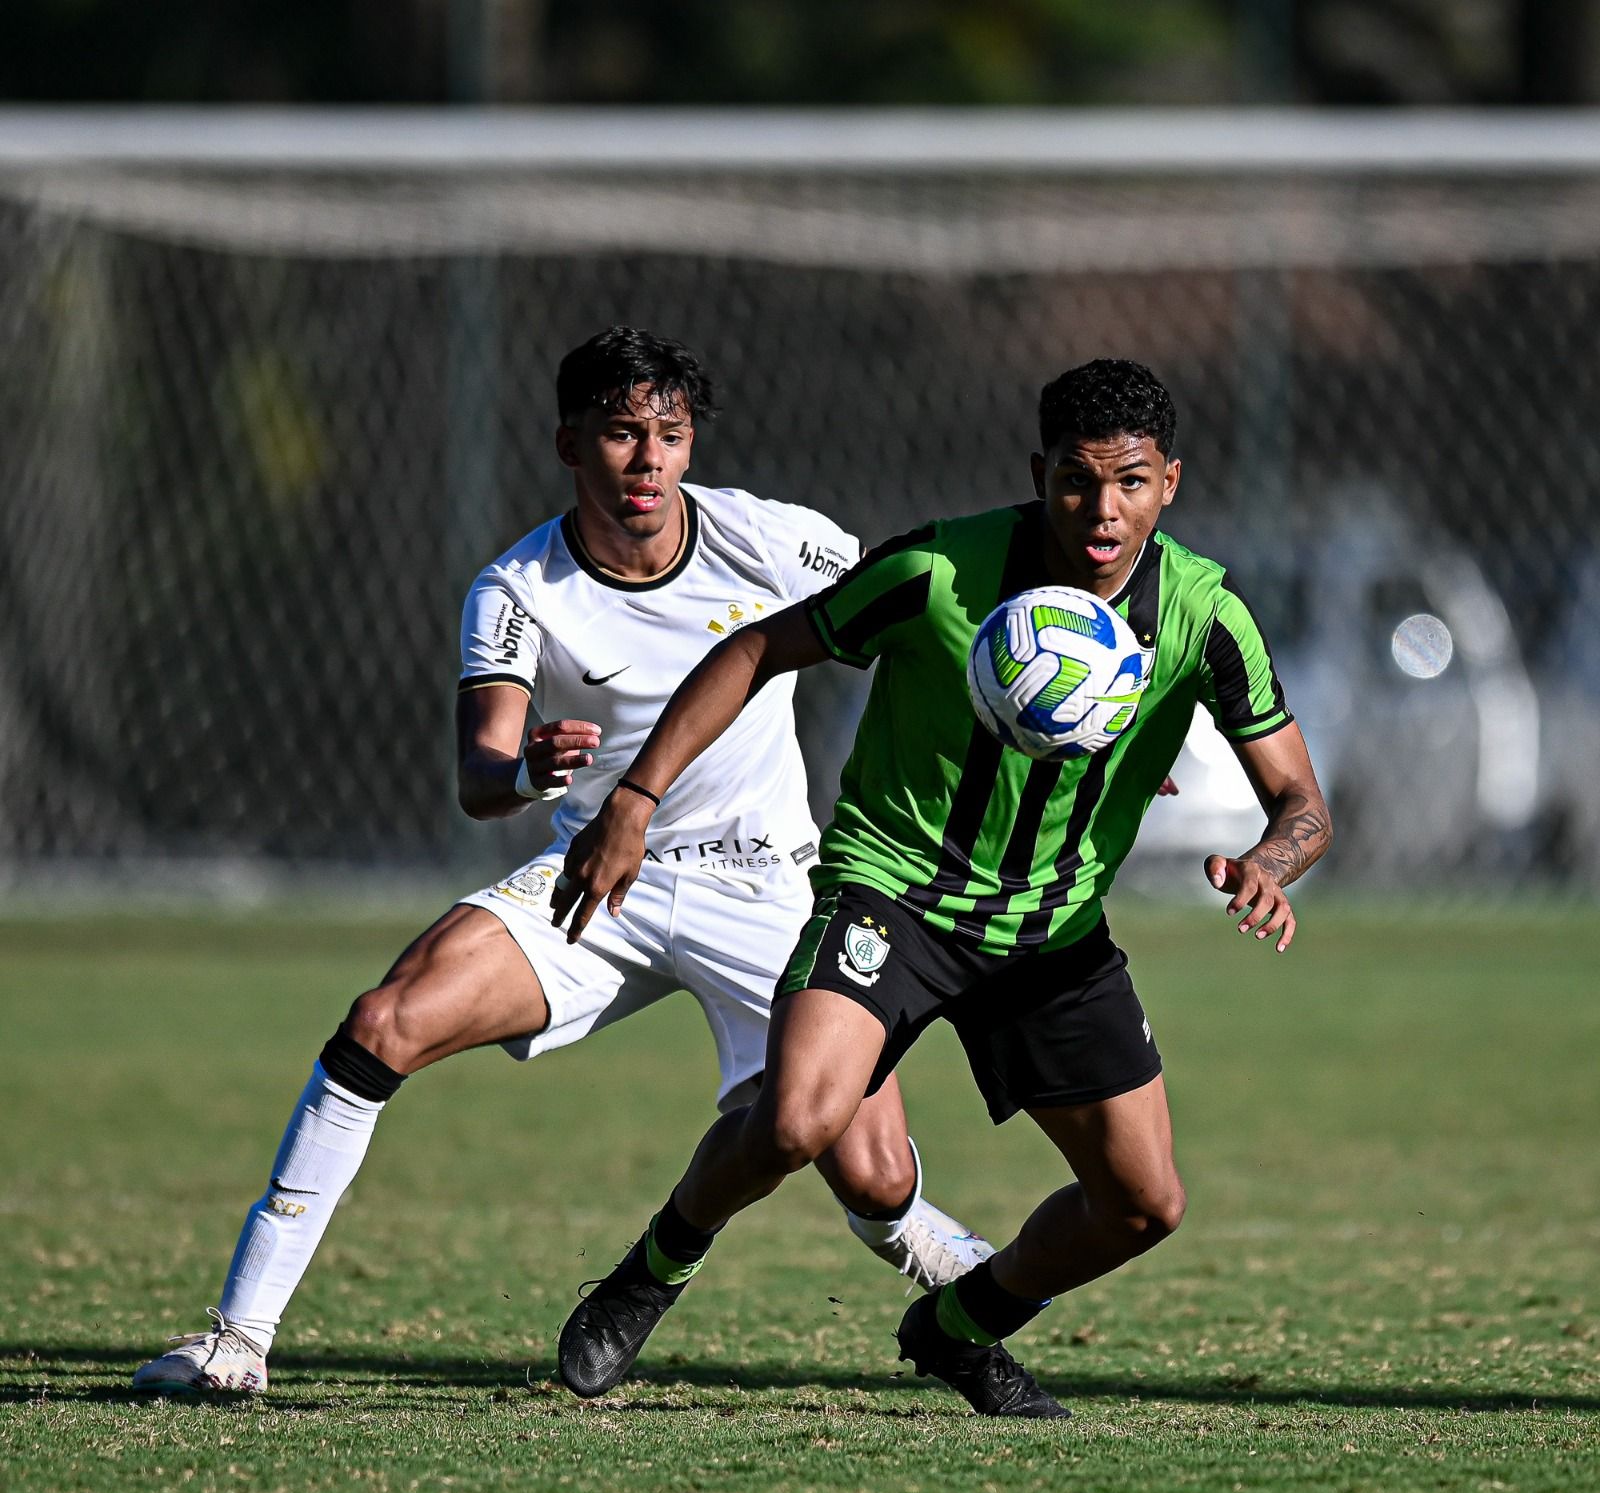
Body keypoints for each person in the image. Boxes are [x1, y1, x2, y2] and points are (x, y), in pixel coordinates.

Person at [131, 327, 991, 1398]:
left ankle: (980, 1285)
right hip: (600, 882)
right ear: (568, 444)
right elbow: (479, 777)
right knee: (382, 1021)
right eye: (622, 436)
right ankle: (237, 1339)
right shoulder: (517, 588)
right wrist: (532, 767)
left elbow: (927, 606)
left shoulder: (775, 541)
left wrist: (1049, 722)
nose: (648, 462)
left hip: (769, 880)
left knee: (873, 1174)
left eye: (669, 435)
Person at [550, 358, 1332, 1416]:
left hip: (1050, 932)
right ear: (1038, 473)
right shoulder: (937, 570)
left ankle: (962, 1325)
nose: (1101, 511)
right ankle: (653, 1268)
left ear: (1171, 483)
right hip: (895, 895)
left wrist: (1266, 866)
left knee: (1143, 1204)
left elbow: (1302, 802)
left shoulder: (1203, 613)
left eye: (1131, 483)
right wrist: (636, 799)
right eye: (1075, 480)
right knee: (794, 1121)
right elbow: (753, 650)